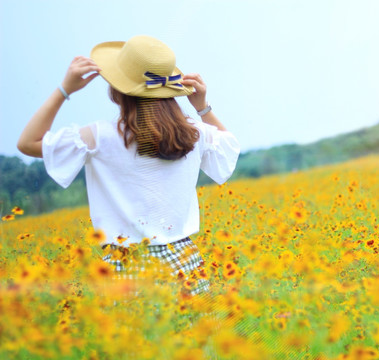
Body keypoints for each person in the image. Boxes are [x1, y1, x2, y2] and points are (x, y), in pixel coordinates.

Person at [17, 35, 241, 298]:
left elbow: (28, 143)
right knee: (195, 337)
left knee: (134, 338)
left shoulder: (100, 137)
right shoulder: (195, 133)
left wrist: (64, 90)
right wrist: (202, 107)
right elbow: (229, 146)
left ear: (116, 89)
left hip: (126, 265)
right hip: (185, 262)